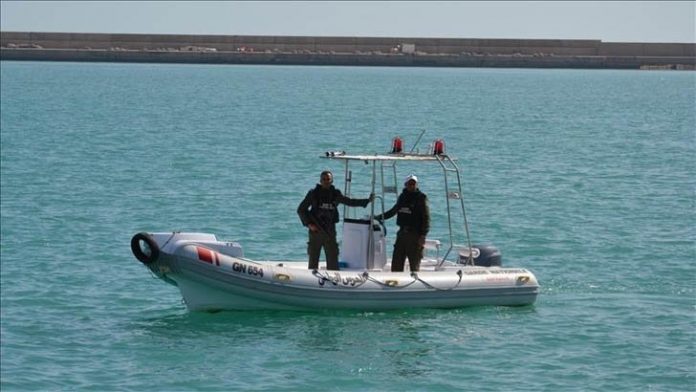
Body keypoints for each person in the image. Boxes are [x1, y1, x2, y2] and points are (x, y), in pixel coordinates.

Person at [297, 170, 373, 271]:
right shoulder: (313, 194)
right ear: (320, 181)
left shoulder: (335, 194)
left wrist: (367, 201)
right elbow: (301, 210)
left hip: (330, 231)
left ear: (332, 181)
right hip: (316, 232)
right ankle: (312, 278)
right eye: (324, 179)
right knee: (313, 258)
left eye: (328, 179)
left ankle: (334, 280)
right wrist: (309, 224)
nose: (326, 181)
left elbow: (350, 202)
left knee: (333, 259)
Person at [375, 174, 430, 272]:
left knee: (414, 263)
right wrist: (379, 217)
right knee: (396, 262)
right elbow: (393, 211)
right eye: (410, 183)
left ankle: (415, 282)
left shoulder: (421, 198)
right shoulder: (402, 197)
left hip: (415, 235)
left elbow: (426, 218)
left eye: (413, 184)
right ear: (406, 184)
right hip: (402, 234)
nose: (412, 186)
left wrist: (423, 235)